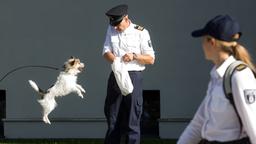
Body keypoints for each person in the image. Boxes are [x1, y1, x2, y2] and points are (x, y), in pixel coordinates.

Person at [177, 15, 256, 144]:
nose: (202, 45)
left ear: (212, 42)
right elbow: (199, 122)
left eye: (204, 40)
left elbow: (254, 124)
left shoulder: (239, 76)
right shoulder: (216, 76)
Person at [102, 4, 155, 144]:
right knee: (112, 119)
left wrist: (134, 56)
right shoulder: (111, 29)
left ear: (126, 19)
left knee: (132, 120)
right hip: (116, 76)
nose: (115, 27)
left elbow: (151, 59)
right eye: (113, 24)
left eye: (117, 24)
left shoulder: (141, 32)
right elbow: (106, 52)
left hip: (133, 76)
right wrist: (117, 61)